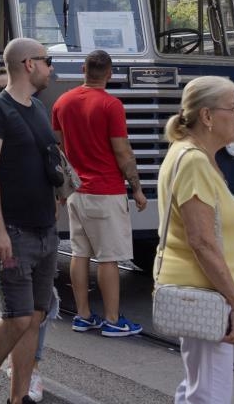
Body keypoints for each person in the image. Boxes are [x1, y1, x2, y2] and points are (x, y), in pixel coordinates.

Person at [0, 38, 58, 404]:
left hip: (45, 230)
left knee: (35, 318)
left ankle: (17, 397)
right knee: (17, 317)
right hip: (14, 232)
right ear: (28, 64)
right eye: (47, 60)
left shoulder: (37, 109)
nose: (51, 67)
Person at [157, 75, 234, 403]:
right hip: (206, 294)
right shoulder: (194, 160)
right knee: (209, 393)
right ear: (207, 117)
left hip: (203, 291)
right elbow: (202, 241)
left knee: (198, 386)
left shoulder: (193, 155)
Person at [51, 50, 146, 337]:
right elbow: (122, 151)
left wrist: (64, 187)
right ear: (110, 73)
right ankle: (113, 319)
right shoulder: (111, 105)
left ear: (83, 69)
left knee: (80, 253)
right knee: (108, 257)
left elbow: (59, 147)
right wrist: (137, 188)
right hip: (106, 190)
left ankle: (82, 315)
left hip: (78, 191)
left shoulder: (62, 102)